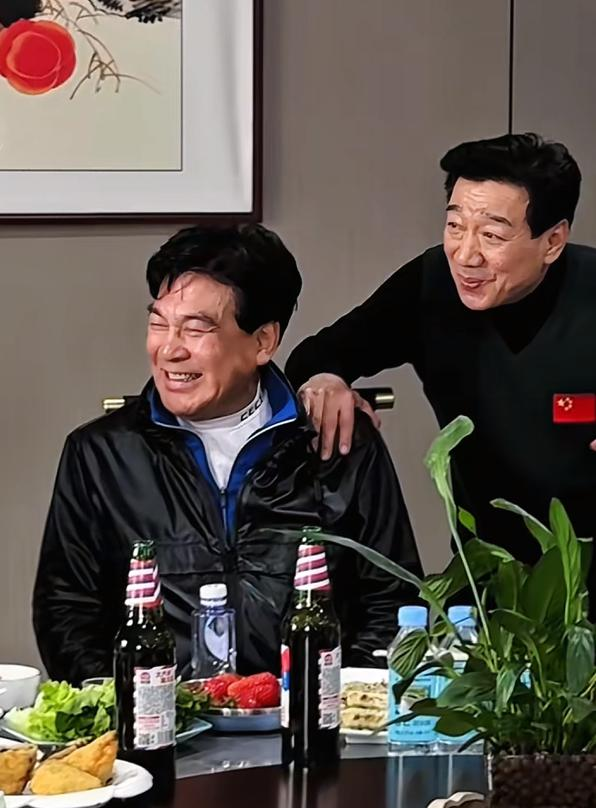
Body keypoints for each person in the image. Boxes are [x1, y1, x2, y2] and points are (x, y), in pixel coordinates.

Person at [33, 224, 421, 684]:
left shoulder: (337, 443)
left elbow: (392, 602)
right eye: (159, 323)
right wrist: (135, 706)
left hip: (311, 715)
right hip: (158, 717)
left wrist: (331, 703)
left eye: (197, 328)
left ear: (263, 341)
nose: (169, 349)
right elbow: (66, 612)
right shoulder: (100, 455)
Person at [286, 133, 596, 595]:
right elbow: (318, 354)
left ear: (552, 241)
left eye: (492, 236)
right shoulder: (431, 285)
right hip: (486, 576)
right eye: (455, 226)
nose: (466, 255)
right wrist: (326, 379)